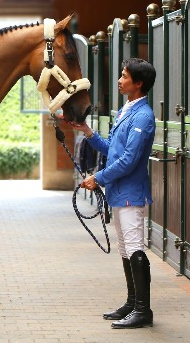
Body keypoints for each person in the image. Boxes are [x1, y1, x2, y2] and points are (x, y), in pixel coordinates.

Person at [68, 58, 156, 329]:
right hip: (120, 191)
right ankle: (132, 304)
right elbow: (112, 150)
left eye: (124, 76)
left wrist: (99, 178)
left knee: (134, 248)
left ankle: (143, 310)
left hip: (130, 192)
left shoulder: (143, 115)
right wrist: (88, 132)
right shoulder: (127, 110)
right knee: (125, 249)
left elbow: (129, 160)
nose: (119, 80)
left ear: (138, 83)